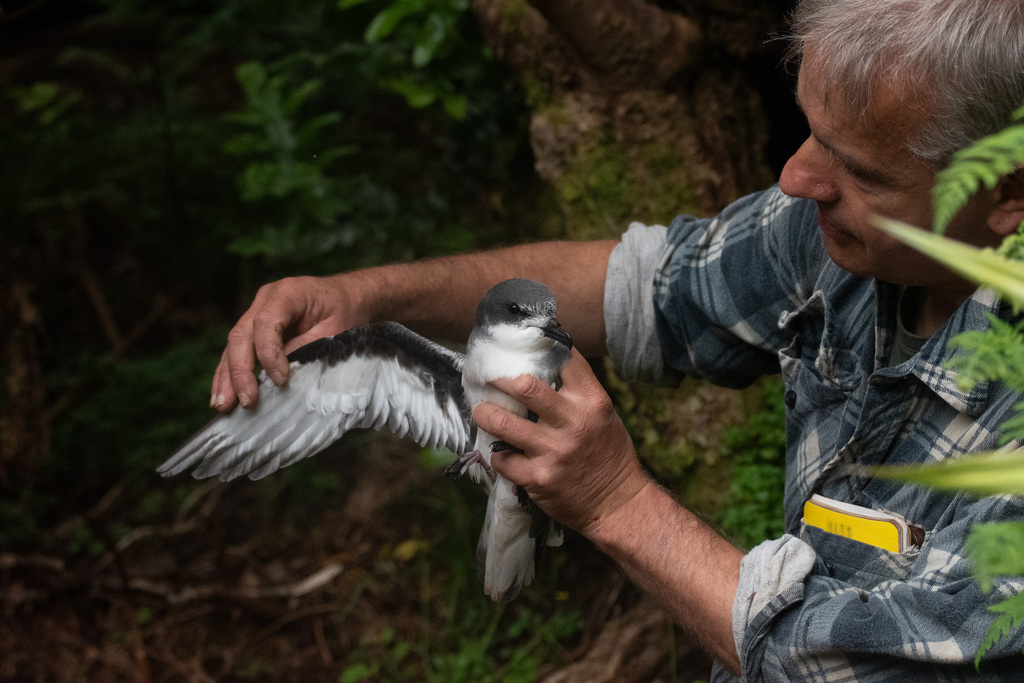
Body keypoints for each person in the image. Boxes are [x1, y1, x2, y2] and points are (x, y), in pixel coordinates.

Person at [207, 0, 1024, 678]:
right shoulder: (838, 236)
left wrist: (616, 501)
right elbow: (644, 287)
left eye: (860, 170)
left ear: (1007, 191)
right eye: (808, 129)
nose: (795, 178)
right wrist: (369, 296)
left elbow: (845, 668)